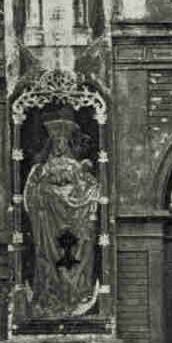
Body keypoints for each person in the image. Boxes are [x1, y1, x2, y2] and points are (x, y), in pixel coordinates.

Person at [23, 111, 100, 317]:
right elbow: (34, 191)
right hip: (49, 218)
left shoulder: (76, 166)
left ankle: (77, 291)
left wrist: (81, 194)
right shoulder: (43, 168)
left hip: (72, 216)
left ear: (68, 144)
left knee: (79, 247)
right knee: (48, 250)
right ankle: (49, 292)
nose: (59, 145)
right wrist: (43, 190)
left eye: (63, 141)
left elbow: (86, 188)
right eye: (55, 141)